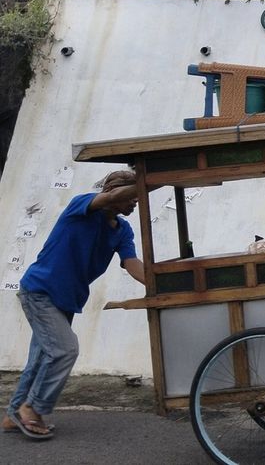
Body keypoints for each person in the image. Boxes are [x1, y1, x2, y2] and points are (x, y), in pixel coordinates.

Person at [2, 170, 144, 441]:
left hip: (66, 298)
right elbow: (112, 196)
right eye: (133, 196)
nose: (135, 202)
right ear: (113, 193)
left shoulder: (123, 230)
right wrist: (149, 182)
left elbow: (131, 263)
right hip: (40, 290)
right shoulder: (82, 206)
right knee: (64, 350)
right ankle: (31, 408)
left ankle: (12, 414)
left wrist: (161, 284)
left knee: (41, 358)